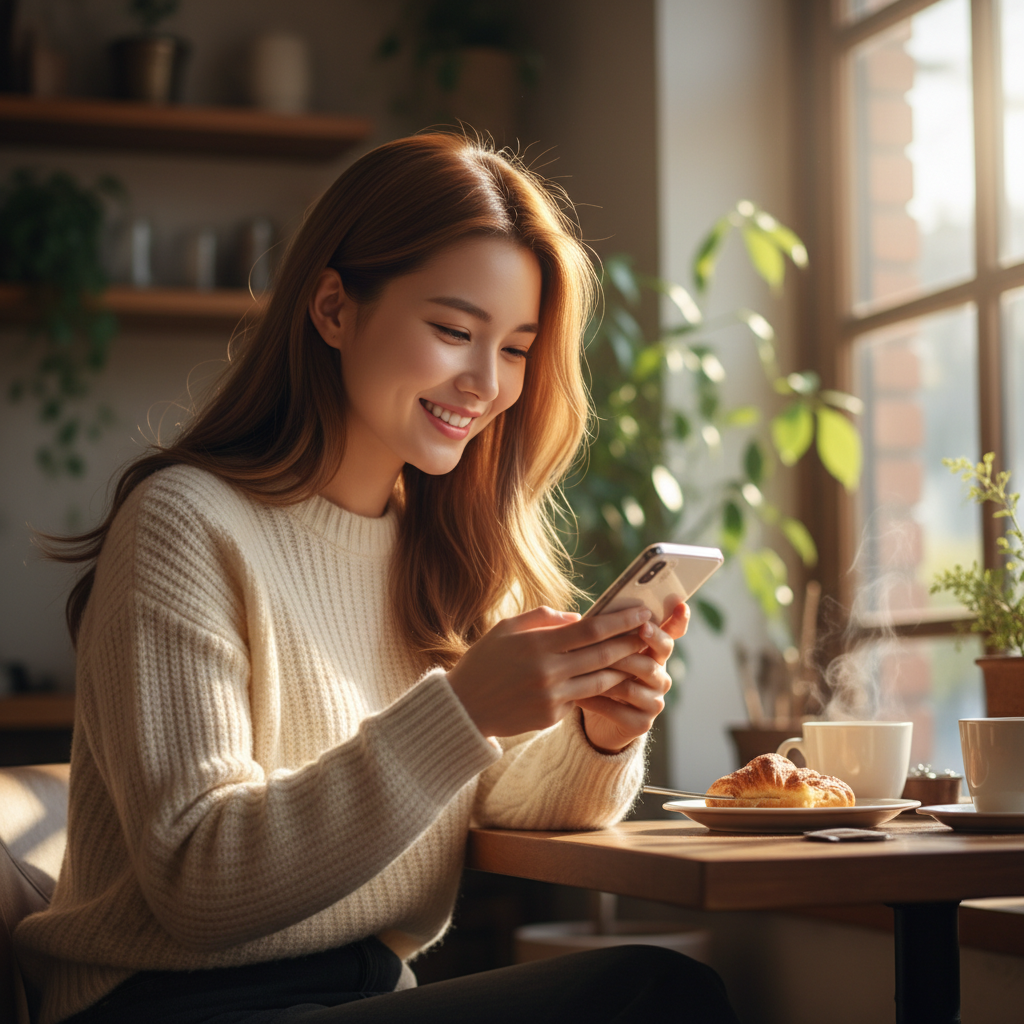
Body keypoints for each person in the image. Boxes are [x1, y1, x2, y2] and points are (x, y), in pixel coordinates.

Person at [15, 134, 741, 1024]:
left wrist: (596, 734)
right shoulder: (185, 521)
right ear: (332, 307)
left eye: (516, 348)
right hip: (170, 1003)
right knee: (654, 996)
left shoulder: (445, 549)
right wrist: (465, 710)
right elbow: (198, 882)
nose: (486, 383)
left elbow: (502, 801)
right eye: (452, 330)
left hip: (358, 992)